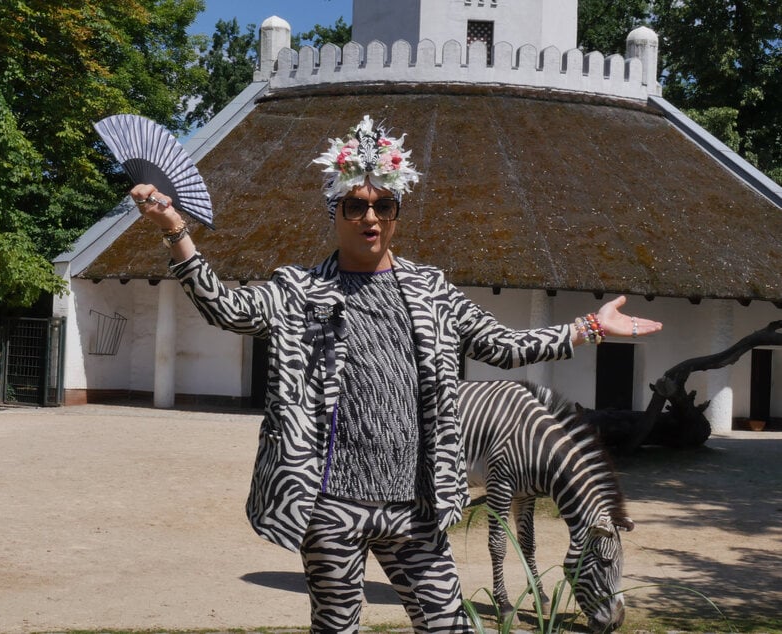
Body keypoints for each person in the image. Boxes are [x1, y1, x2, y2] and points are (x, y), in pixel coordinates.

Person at [130, 115, 662, 633]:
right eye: (356, 206)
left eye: (383, 205)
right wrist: (176, 231)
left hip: (415, 508)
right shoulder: (299, 290)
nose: (371, 217)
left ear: (396, 212)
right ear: (334, 212)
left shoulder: (431, 291)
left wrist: (589, 326)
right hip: (332, 506)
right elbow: (227, 309)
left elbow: (503, 346)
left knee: (449, 625)